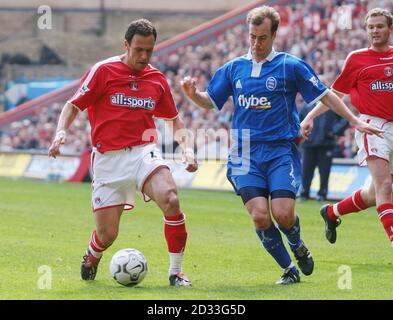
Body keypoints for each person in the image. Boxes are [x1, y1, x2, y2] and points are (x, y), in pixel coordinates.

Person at [181, 6, 382, 285]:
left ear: (274, 34)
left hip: (279, 150)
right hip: (244, 152)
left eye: (262, 37)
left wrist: (354, 120)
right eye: (252, 36)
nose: (256, 43)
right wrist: (192, 95)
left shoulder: (290, 66)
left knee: (284, 214)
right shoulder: (233, 68)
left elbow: (325, 95)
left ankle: (297, 243)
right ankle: (289, 268)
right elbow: (209, 101)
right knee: (261, 216)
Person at [48, 19, 198, 286]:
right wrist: (61, 131)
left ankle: (176, 272)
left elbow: (174, 119)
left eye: (149, 50)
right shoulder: (103, 71)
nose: (144, 56)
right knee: (107, 235)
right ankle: (92, 255)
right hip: (108, 161)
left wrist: (187, 150)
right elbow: (72, 105)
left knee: (171, 199)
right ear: (126, 45)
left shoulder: (156, 79)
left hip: (143, 152)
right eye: (138, 49)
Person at [301, 8, 393, 248]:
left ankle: (331, 212)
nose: (375, 31)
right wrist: (310, 116)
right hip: (372, 126)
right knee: (385, 186)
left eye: (380, 26)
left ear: (390, 29)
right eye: (371, 27)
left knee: (374, 193)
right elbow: (335, 94)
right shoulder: (357, 58)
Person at [299, 105, 348, 201]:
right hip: (309, 143)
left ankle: (322, 193)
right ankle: (304, 193)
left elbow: (344, 119)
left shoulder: (331, 104)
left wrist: (334, 131)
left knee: (324, 171)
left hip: (326, 144)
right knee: (306, 170)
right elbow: (299, 120)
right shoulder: (307, 105)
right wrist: (301, 132)